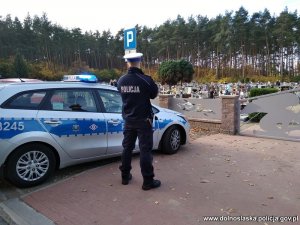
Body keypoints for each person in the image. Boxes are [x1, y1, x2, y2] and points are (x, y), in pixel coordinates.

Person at [117, 52, 161, 191]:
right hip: (143, 121)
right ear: (140, 61)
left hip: (128, 120)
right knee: (145, 151)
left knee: (127, 148)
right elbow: (154, 94)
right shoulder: (145, 79)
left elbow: (122, 94)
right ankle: (148, 181)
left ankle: (125, 176)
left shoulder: (121, 80)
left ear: (127, 62)